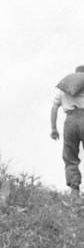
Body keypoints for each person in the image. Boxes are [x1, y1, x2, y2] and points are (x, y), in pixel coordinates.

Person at [50, 66, 84, 200]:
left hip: (70, 122)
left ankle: (74, 190)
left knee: (70, 157)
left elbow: (54, 107)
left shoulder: (65, 88)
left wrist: (54, 129)